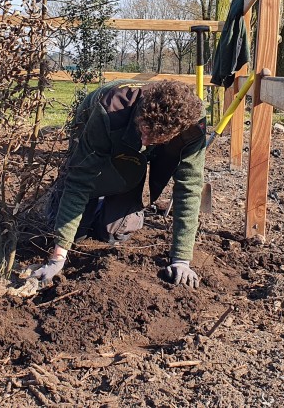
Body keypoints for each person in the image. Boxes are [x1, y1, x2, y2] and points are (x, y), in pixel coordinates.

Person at [33, 79, 207, 288]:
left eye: (152, 139)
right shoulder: (108, 111)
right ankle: (72, 201)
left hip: (142, 139)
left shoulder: (191, 129)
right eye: (143, 131)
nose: (143, 142)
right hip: (98, 123)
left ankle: (119, 190)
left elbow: (188, 189)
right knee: (72, 231)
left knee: (114, 233)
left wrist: (181, 259)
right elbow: (80, 179)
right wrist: (58, 257)